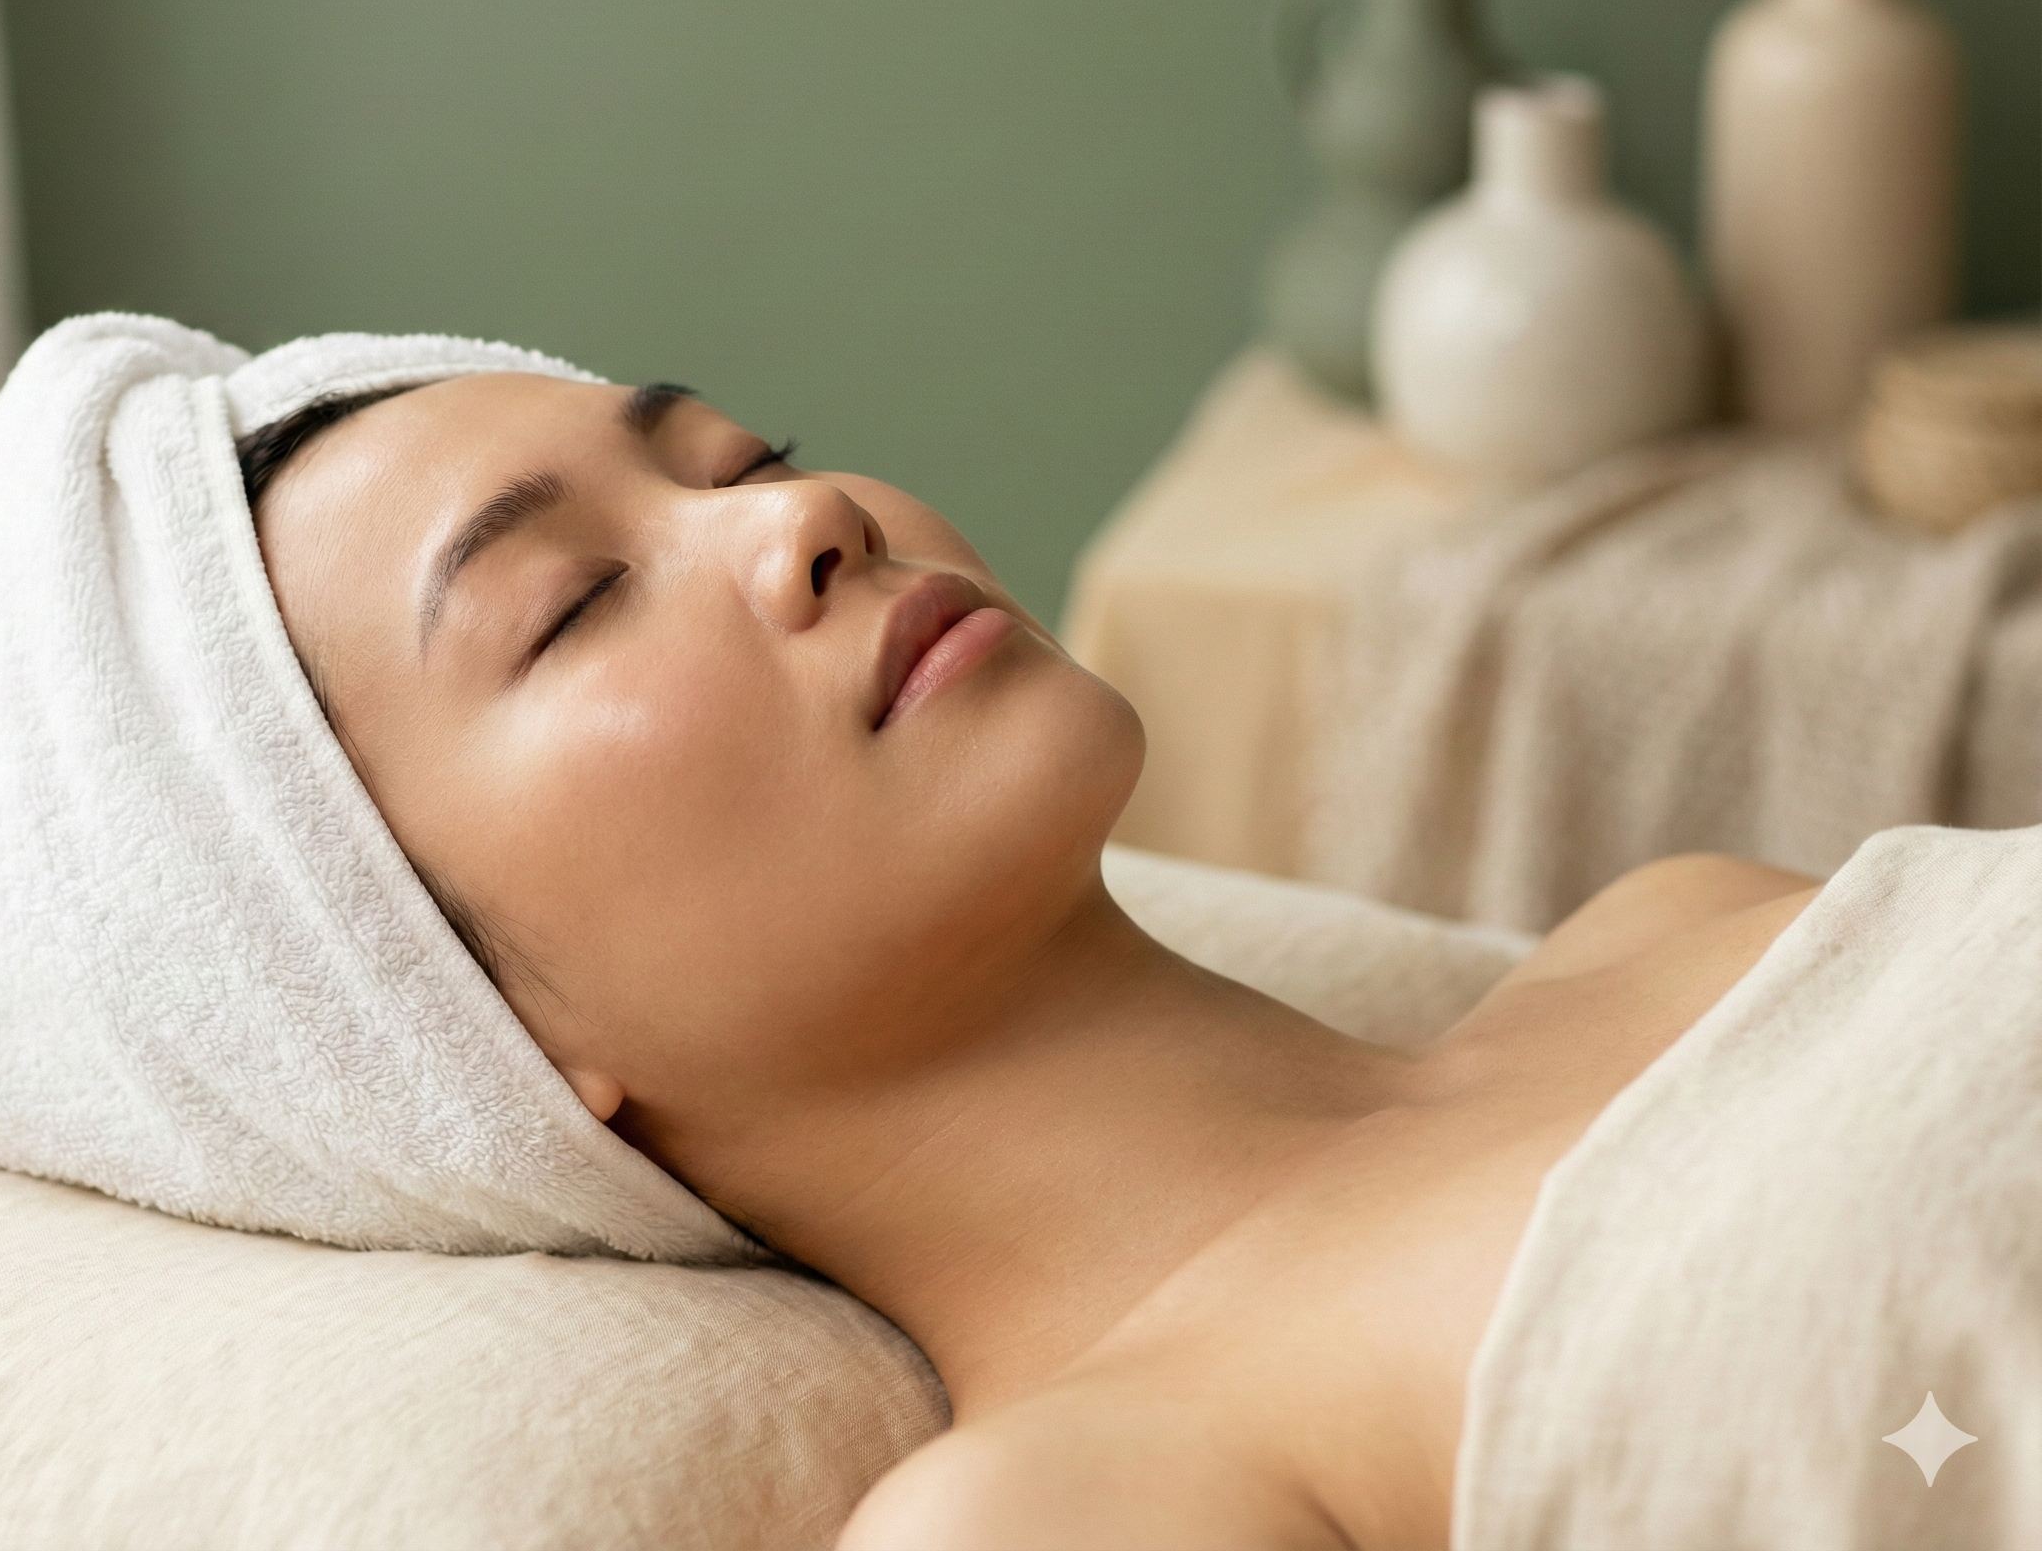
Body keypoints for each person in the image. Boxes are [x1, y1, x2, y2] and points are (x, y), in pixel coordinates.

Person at [237, 366, 1828, 1550]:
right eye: (575, 603)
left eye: (742, 460)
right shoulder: (1081, 1505)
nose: (806, 515)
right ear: (468, 1049)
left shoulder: (1693, 926)